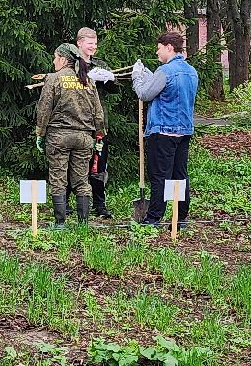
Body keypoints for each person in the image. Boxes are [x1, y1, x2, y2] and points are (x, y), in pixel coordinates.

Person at [131, 30, 199, 228]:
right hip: (184, 131)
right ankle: (181, 217)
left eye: (159, 48)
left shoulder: (166, 71)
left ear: (169, 48)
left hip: (162, 132)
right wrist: (148, 75)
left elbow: (145, 94)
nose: (157, 52)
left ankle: (153, 217)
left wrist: (137, 76)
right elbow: (169, 91)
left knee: (160, 175)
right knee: (180, 174)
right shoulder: (191, 71)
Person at [36, 42, 104, 227]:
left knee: (58, 179)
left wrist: (40, 134)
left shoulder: (53, 79)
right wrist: (100, 135)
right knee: (82, 180)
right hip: (83, 138)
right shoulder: (87, 80)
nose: (53, 60)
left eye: (55, 56)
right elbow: (98, 111)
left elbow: (44, 110)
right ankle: (83, 224)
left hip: (59, 137)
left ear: (63, 59)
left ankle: (60, 223)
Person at [77, 27, 122, 220]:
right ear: (79, 43)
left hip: (98, 123)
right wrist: (86, 79)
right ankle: (75, 201)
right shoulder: (72, 65)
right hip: (78, 121)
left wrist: (110, 80)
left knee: (99, 164)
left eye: (95, 43)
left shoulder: (100, 64)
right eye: (89, 43)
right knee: (76, 164)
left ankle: (100, 204)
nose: (93, 47)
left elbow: (114, 91)